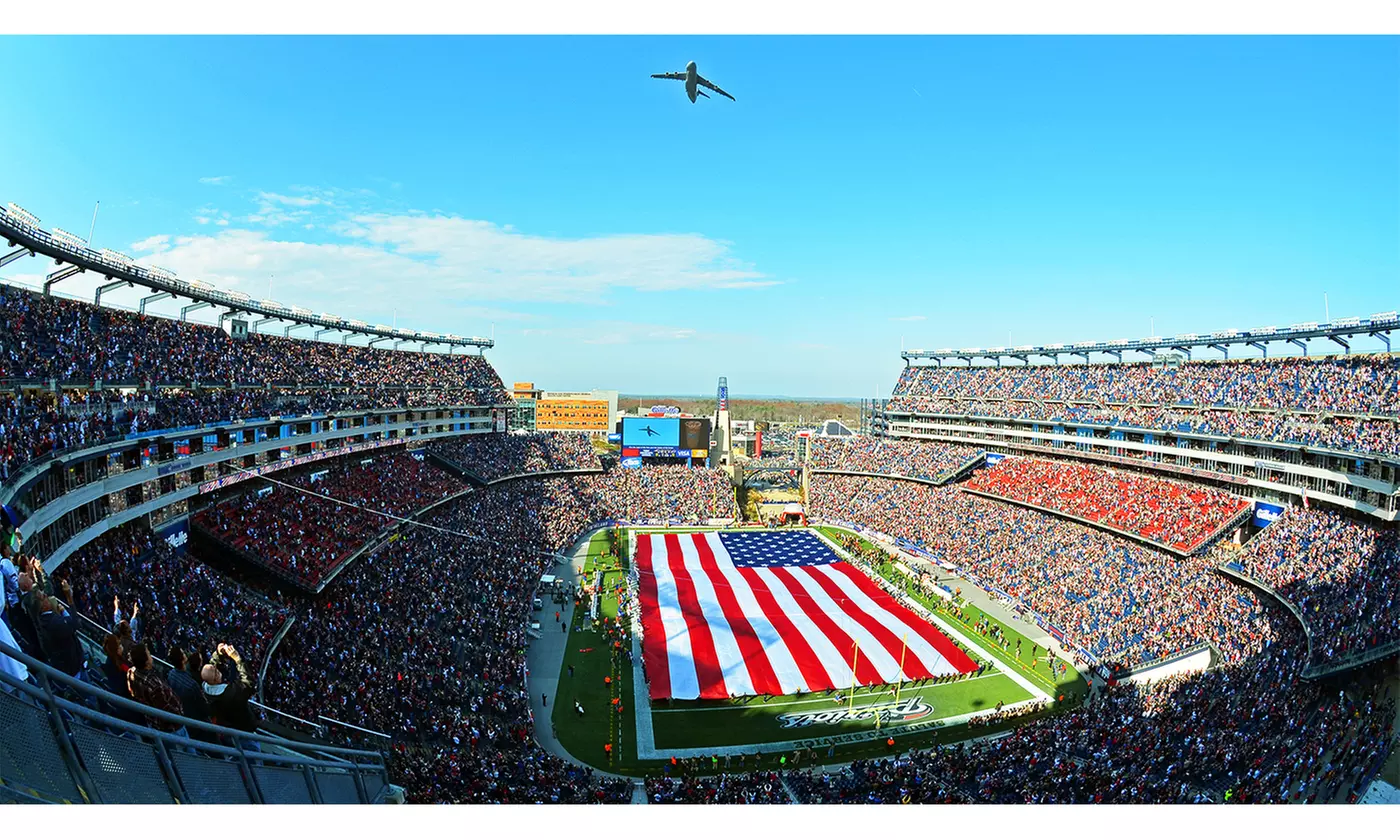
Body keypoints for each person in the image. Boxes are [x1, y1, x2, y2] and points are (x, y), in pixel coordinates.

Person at [127, 643, 185, 732]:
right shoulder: (154, 683)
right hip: (172, 727)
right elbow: (165, 709)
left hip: (152, 721)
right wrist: (179, 714)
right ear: (146, 661)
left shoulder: (131, 672)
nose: (151, 656)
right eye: (149, 654)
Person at [201, 642, 257, 733]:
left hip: (229, 725)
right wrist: (238, 660)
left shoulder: (205, 688)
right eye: (216, 672)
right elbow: (248, 684)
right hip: (243, 727)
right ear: (215, 679)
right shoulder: (230, 694)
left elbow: (211, 668)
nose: (218, 670)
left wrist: (218, 653)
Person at [167, 646, 210, 724]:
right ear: (182, 659)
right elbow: (204, 708)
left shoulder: (171, 674)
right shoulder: (192, 685)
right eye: (183, 653)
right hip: (195, 719)